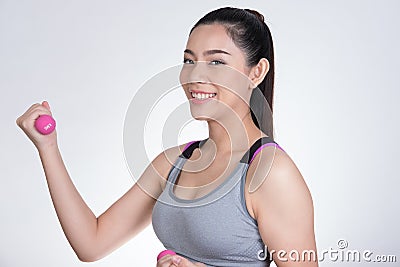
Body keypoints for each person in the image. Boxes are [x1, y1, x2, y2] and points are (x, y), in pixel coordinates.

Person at [16, 6, 318, 267]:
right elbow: (91, 243)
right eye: (189, 61)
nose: (196, 75)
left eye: (216, 62)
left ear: (256, 73)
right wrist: (48, 146)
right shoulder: (174, 163)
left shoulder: (269, 172)